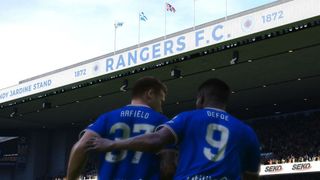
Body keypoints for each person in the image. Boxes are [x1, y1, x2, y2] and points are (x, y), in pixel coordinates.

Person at [86, 78, 261, 180]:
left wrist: (112, 144)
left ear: (200, 99)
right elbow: (251, 175)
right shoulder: (246, 132)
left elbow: (156, 140)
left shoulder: (187, 118)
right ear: (225, 101)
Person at [67, 76, 177, 180]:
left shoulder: (107, 118)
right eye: (161, 101)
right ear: (150, 93)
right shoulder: (162, 122)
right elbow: (168, 168)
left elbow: (80, 147)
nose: (161, 107)